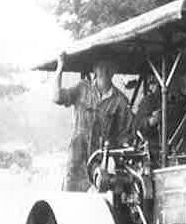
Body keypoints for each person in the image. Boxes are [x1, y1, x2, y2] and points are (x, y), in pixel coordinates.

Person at [55, 56, 136, 191]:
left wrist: (116, 161)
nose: (105, 71)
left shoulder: (120, 101)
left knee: (100, 199)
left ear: (114, 71)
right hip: (77, 160)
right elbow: (57, 97)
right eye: (101, 67)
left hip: (100, 163)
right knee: (70, 197)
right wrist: (60, 67)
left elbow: (125, 136)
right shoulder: (82, 88)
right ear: (95, 69)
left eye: (109, 67)